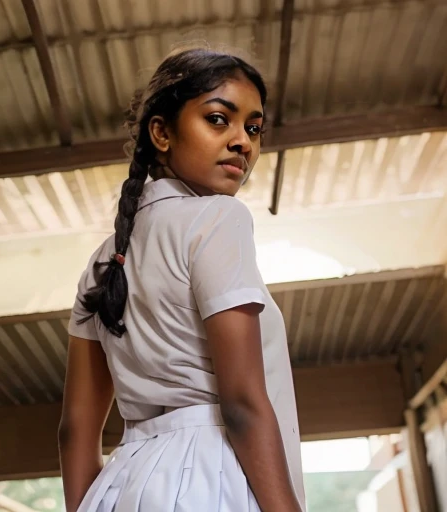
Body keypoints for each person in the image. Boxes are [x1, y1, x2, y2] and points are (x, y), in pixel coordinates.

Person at [58, 46, 306, 512]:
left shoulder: (104, 261)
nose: (243, 142)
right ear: (162, 133)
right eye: (219, 119)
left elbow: (76, 428)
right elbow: (242, 404)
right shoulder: (218, 219)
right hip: (211, 479)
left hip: (121, 486)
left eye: (253, 127)